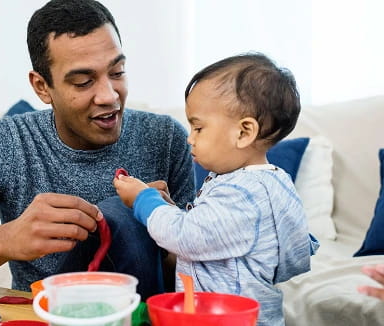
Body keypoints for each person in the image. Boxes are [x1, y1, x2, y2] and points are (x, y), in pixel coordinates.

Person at [0, 0, 195, 303]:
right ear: (42, 87)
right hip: (47, 312)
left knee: (122, 213)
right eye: (84, 81)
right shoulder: (3, 146)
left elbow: (197, 282)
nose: (109, 96)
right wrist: (5, 240)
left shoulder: (165, 139)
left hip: (143, 309)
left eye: (117, 72)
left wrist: (165, 231)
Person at [114, 53, 319, 326]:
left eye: (198, 127)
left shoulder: (242, 193)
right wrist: (172, 210)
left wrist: (144, 199)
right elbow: (212, 233)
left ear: (244, 132)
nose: (190, 137)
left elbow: (185, 237)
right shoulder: (269, 182)